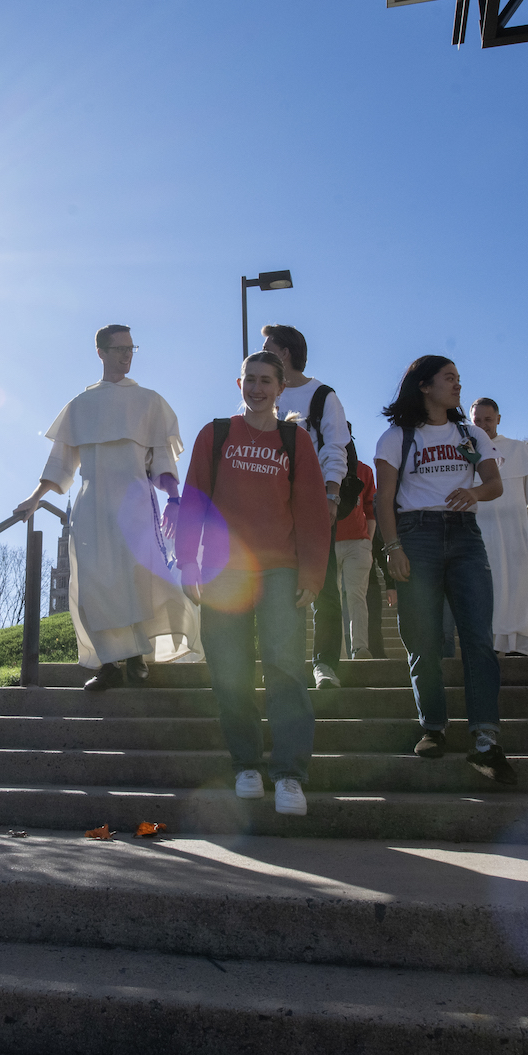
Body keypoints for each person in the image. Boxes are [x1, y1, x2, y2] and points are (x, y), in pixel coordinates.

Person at [172, 352, 331, 816]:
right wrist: (187, 562)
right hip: (223, 573)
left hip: (280, 570)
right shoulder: (215, 433)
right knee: (230, 672)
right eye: (251, 380)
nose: (258, 388)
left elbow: (312, 511)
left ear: (281, 388)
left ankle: (289, 775)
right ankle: (246, 764)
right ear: (239, 382)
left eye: (267, 381)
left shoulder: (294, 440)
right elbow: (194, 500)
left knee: (285, 670)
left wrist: (313, 571)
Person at [15, 324, 197, 692]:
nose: (127, 355)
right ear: (100, 352)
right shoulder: (81, 406)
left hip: (134, 504)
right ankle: (108, 662)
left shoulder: (150, 401)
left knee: (136, 579)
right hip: (91, 506)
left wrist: (174, 500)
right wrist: (34, 500)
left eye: (131, 348)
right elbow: (60, 464)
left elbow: (163, 459)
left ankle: (136, 657)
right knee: (95, 585)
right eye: (119, 349)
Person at [374, 356, 513, 784]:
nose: (457, 385)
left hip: (465, 537)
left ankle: (486, 739)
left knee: (477, 638)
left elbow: (495, 484)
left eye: (458, 378)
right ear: (423, 386)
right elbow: (384, 499)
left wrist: (472, 492)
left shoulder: (470, 434)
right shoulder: (396, 436)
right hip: (416, 536)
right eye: (448, 378)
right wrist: (392, 547)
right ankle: (433, 726)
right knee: (423, 638)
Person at [258, 325, 352, 689]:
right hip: (270, 509)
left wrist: (330, 495)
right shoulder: (265, 395)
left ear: (285, 353)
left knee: (323, 585)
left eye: (267, 348)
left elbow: (335, 448)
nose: (262, 353)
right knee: (276, 586)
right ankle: (283, 663)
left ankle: (325, 664)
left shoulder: (322, 395)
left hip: (312, 504)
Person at [471, 398, 528, 656]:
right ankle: (488, 648)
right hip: (478, 536)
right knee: (486, 592)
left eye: (488, 419)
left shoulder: (518, 450)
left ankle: (519, 647)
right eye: (477, 421)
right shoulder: (464, 454)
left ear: (498, 419)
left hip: (515, 535)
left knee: (518, 590)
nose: (483, 426)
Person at [334, 455, 377, 659]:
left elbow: (370, 508)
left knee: (356, 596)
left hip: (357, 543)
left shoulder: (364, 470)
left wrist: (367, 540)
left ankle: (359, 647)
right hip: (328, 542)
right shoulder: (322, 466)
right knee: (330, 599)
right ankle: (336, 653)